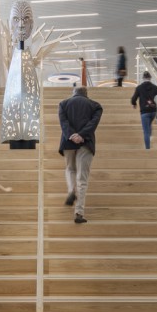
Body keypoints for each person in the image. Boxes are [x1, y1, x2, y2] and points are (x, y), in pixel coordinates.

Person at [58, 85, 102, 224]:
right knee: (82, 178)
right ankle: (79, 213)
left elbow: (63, 122)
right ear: (86, 94)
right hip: (86, 142)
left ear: (73, 93)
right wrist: (81, 135)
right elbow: (93, 123)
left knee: (70, 169)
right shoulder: (95, 106)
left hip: (68, 141)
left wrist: (71, 135)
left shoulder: (63, 104)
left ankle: (71, 190)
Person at [131, 70, 157, 150]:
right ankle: (150, 136)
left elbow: (133, 98)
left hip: (144, 112)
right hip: (153, 111)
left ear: (143, 78)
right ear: (150, 78)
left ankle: (148, 149)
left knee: (146, 131)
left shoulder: (139, 88)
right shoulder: (154, 87)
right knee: (149, 124)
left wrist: (134, 104)